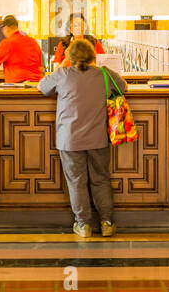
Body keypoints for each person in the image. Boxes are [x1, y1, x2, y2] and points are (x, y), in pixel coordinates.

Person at [38, 38, 123, 238]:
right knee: (101, 179)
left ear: (69, 56)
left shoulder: (62, 74)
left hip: (70, 139)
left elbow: (42, 86)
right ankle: (107, 223)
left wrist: (63, 63)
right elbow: (123, 86)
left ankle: (83, 225)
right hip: (98, 138)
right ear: (93, 56)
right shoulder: (104, 74)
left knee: (76, 181)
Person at [0, 14, 43, 83]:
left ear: (6, 28)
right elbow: (40, 68)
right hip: (36, 85)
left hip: (18, 86)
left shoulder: (6, 43)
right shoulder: (33, 41)